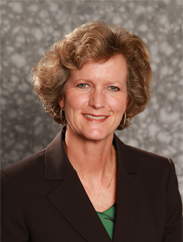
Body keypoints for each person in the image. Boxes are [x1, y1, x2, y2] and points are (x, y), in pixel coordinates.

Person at [1, 20, 182, 242]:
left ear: (127, 100)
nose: (97, 102)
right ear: (61, 95)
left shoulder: (159, 175)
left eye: (113, 88)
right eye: (83, 85)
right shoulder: (14, 187)